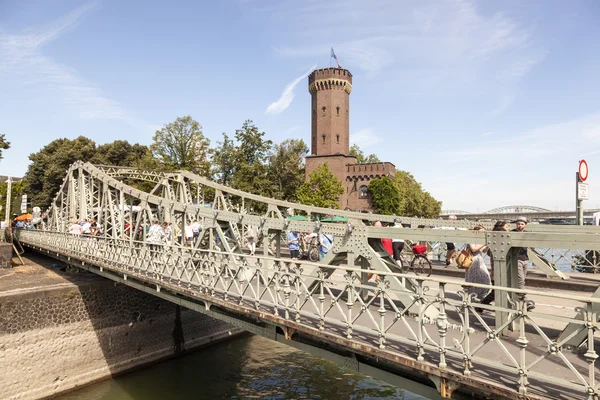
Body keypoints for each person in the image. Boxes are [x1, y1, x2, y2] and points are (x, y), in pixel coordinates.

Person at [465, 225, 491, 307]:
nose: (483, 232)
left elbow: (483, 251)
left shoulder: (480, 239)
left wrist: (487, 245)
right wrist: (483, 244)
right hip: (472, 260)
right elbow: (473, 249)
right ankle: (472, 297)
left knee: (486, 278)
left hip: (480, 260)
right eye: (481, 231)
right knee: (473, 279)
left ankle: (481, 296)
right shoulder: (471, 238)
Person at [512, 216, 532, 310]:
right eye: (518, 224)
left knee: (523, 280)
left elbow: (533, 247)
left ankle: (519, 297)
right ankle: (526, 300)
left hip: (525, 258)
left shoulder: (527, 234)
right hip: (517, 259)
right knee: (520, 280)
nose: (520, 225)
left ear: (525, 225)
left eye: (522, 224)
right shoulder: (513, 233)